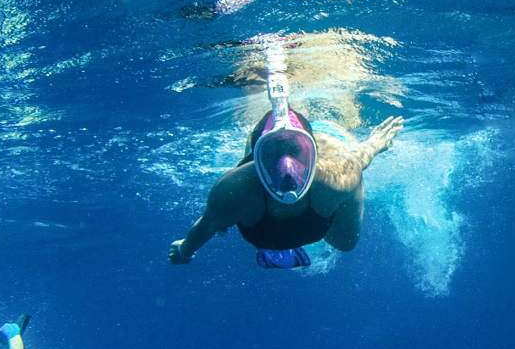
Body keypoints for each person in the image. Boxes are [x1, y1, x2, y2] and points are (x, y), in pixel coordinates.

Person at [168, 41, 403, 269]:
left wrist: (375, 143)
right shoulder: (235, 188)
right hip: (264, 211)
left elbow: (359, 157)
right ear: (255, 158)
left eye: (294, 150)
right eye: (271, 152)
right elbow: (206, 226)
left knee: (345, 244)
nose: (286, 166)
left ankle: (306, 147)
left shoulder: (334, 176)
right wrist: (185, 249)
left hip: (327, 147)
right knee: (221, 214)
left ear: (314, 153)